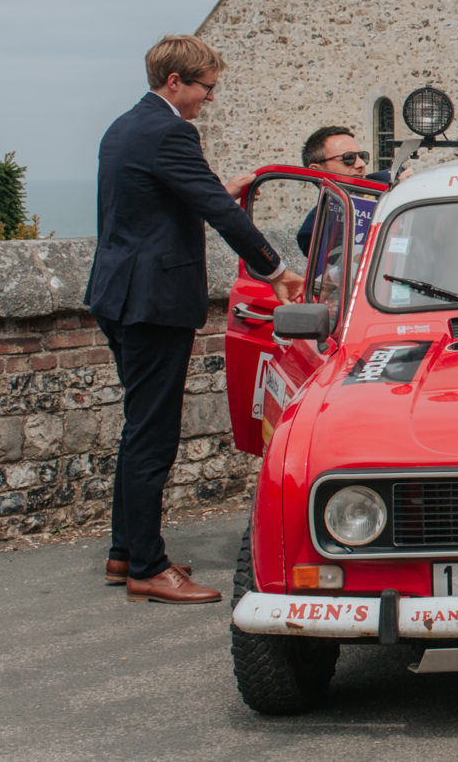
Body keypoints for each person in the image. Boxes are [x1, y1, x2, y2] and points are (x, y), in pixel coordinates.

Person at [83, 36, 303, 604]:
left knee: (140, 424)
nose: (209, 99)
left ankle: (125, 551)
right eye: (206, 88)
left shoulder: (125, 126)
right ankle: (148, 569)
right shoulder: (173, 131)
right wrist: (275, 269)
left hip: (117, 294)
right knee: (152, 434)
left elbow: (164, 198)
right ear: (176, 81)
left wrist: (213, 188)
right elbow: (212, 209)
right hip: (154, 302)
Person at [295, 126, 370, 257]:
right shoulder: (315, 228)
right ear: (316, 170)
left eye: (362, 156)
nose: (361, 164)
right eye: (348, 158)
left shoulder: (386, 182)